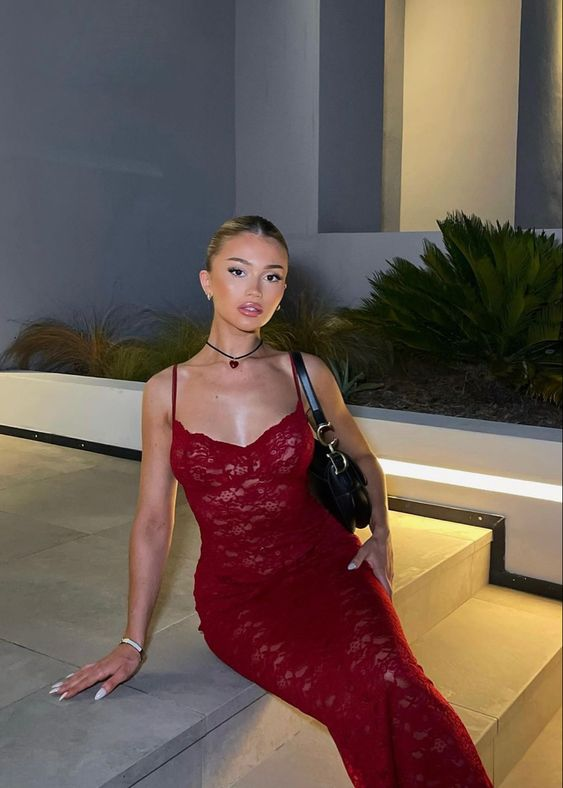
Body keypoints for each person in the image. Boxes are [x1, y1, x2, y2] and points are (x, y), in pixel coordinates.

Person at [49, 216, 492, 787]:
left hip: (328, 565)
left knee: (392, 677)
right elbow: (155, 521)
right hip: (238, 599)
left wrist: (382, 535)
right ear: (207, 281)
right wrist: (132, 641)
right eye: (238, 271)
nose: (255, 289)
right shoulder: (167, 390)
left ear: (283, 290)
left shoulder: (303, 372)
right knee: (350, 699)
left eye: (272, 276)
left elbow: (363, 459)